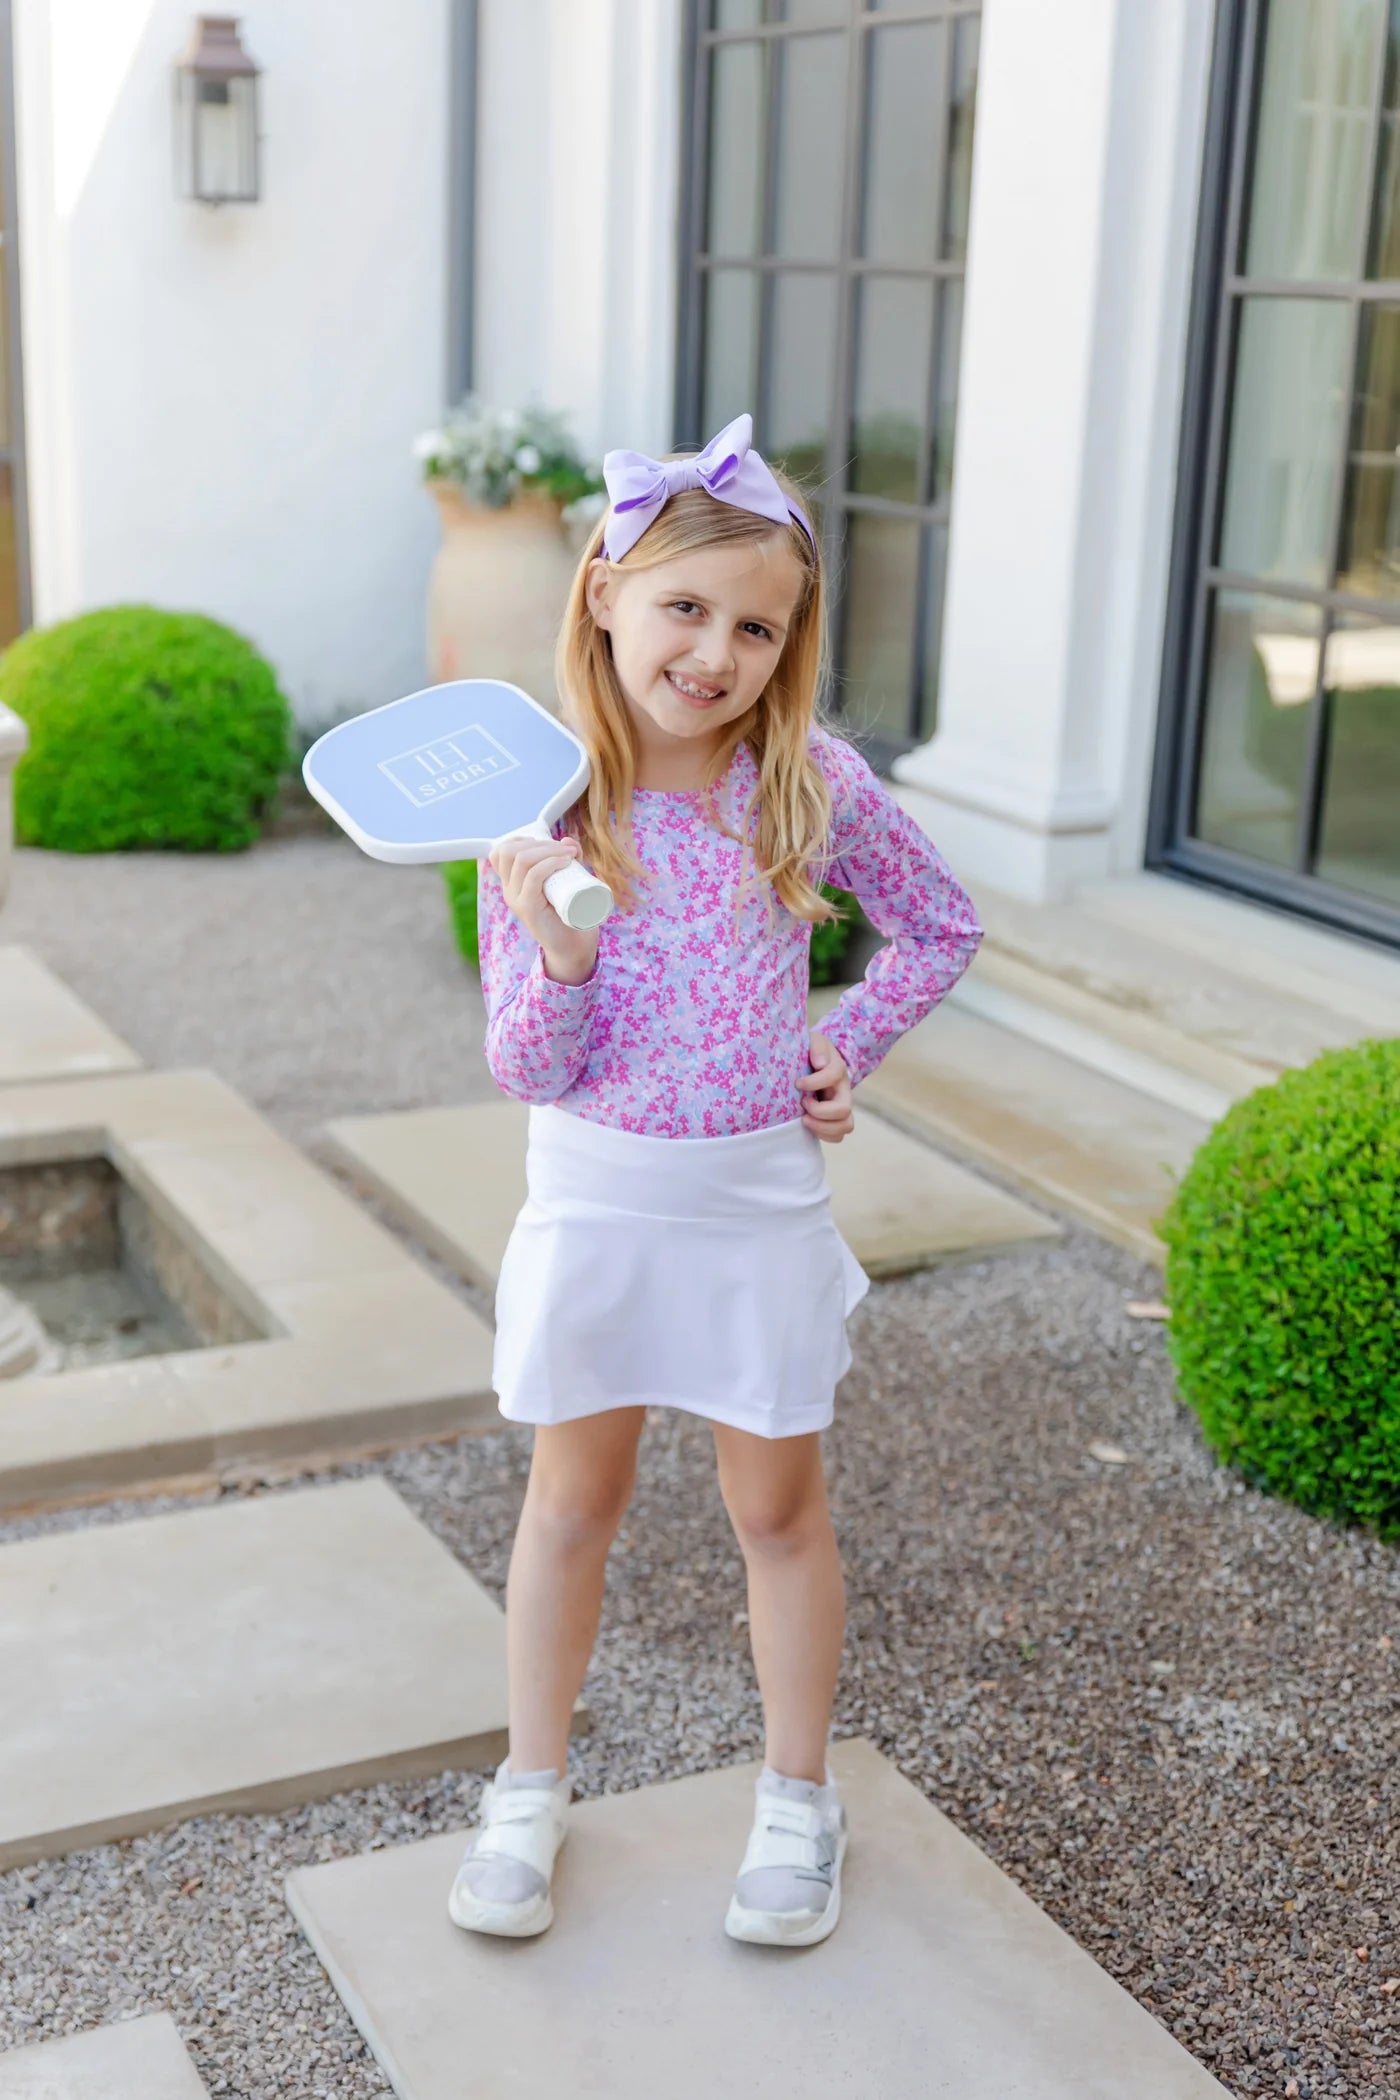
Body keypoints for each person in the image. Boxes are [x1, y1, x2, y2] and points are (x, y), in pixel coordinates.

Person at [448, 412, 982, 1950]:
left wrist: (843, 1046)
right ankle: (529, 1790)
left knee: (779, 1512)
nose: (717, 652)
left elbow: (940, 925)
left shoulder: (806, 784)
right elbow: (525, 1067)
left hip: (755, 1209)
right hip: (597, 1205)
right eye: (685, 607)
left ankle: (798, 1802)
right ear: (605, 591)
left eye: (758, 627)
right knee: (571, 1504)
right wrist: (561, 952)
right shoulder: (535, 811)